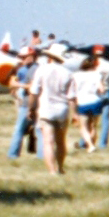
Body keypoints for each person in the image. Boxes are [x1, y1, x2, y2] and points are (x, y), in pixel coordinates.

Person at [29, 45, 75, 174]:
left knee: (48, 142)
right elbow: (71, 96)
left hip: (46, 109)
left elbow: (34, 91)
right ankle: (60, 167)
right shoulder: (68, 73)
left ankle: (52, 171)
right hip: (62, 109)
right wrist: (75, 113)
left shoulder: (41, 70)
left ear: (50, 56)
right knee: (61, 142)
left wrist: (31, 108)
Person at [72, 53, 109, 153]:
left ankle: (90, 145)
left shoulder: (76, 75)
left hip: (82, 101)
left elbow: (73, 90)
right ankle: (91, 144)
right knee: (93, 126)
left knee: (83, 126)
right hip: (95, 101)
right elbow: (101, 90)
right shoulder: (96, 75)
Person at [7, 51, 38, 158]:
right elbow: (12, 82)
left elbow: (30, 86)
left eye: (24, 57)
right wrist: (25, 86)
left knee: (21, 129)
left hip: (28, 101)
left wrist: (22, 86)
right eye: (21, 57)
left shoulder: (33, 69)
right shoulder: (21, 69)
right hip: (25, 100)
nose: (22, 59)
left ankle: (13, 154)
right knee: (31, 129)